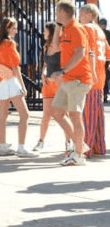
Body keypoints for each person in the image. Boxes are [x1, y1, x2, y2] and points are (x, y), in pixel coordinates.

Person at [50, 0, 94, 166]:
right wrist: (57, 27)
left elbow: (80, 53)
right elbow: (55, 47)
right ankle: (79, 143)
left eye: (56, 11)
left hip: (79, 80)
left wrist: (62, 71)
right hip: (68, 80)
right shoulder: (66, 29)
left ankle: (78, 156)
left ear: (63, 12)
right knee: (56, 111)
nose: (55, 14)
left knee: (75, 116)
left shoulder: (76, 29)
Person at [0, 17, 38, 157]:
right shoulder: (10, 44)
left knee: (2, 115)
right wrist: (23, 86)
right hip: (10, 80)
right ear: (7, 29)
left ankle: (3, 146)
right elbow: (15, 67)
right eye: (13, 28)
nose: (15, 31)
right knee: (24, 114)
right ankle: (21, 147)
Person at [33, 21, 70, 153]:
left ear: (51, 32)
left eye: (45, 30)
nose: (43, 32)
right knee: (46, 115)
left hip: (59, 84)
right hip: (48, 84)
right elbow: (45, 65)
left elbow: (65, 64)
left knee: (64, 114)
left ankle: (68, 142)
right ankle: (41, 141)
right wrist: (43, 75)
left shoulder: (60, 45)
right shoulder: (45, 47)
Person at [79, 2, 106, 156]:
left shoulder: (87, 29)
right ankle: (99, 146)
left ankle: (85, 148)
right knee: (97, 114)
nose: (79, 18)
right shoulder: (100, 31)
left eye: (81, 15)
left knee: (87, 115)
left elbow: (88, 52)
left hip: (89, 76)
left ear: (89, 15)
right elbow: (107, 54)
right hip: (100, 76)